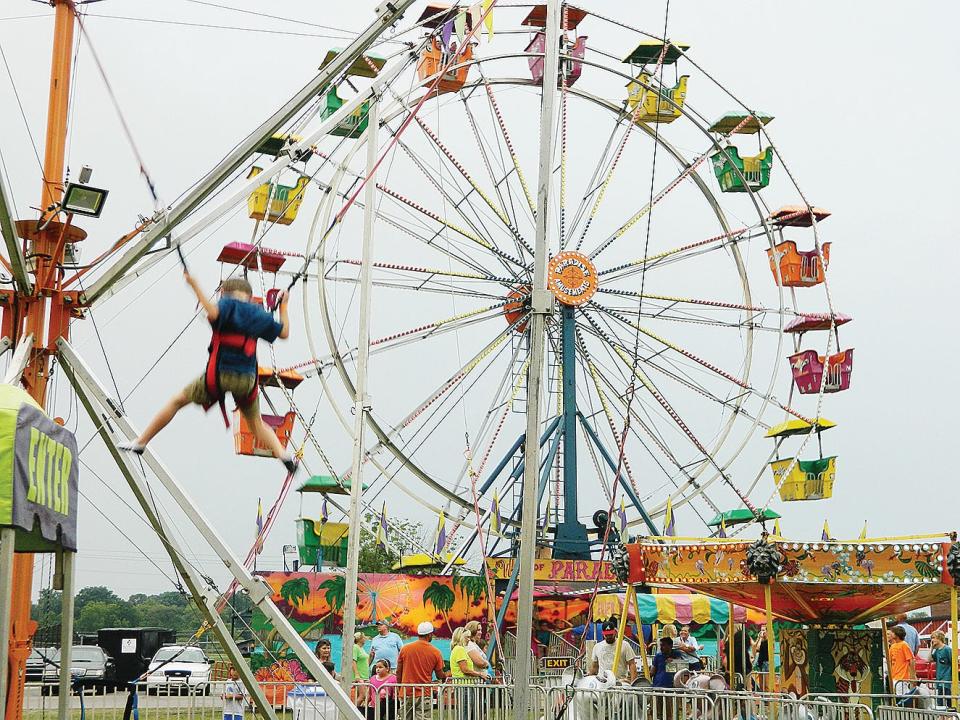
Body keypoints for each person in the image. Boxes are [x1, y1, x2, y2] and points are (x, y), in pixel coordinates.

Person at [119, 274, 297, 474]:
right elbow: (284, 333)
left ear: (223, 293)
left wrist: (195, 285)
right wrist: (283, 306)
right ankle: (283, 454)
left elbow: (212, 313)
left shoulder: (225, 306)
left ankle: (141, 442)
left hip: (219, 376)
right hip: (246, 381)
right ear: (249, 296)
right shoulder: (259, 315)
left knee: (177, 401)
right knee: (256, 424)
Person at [396, 621, 448, 720]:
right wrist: (445, 677)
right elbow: (439, 675)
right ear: (429, 635)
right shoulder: (436, 652)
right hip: (424, 693)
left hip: (406, 691)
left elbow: (398, 672)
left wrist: (400, 688)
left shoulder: (405, 649)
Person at [888, 626, 916, 696]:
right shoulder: (892, 646)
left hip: (902, 677)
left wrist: (912, 675)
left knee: (901, 696)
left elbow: (911, 660)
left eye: (892, 633)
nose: (890, 634)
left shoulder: (904, 645)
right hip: (894, 676)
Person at [931, 631, 952, 700]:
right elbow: (929, 659)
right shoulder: (936, 650)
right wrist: (931, 648)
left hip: (946, 679)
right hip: (939, 679)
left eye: (933, 638)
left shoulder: (947, 649)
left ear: (939, 638)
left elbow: (953, 662)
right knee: (939, 700)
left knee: (947, 699)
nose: (932, 640)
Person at [732, 624, 752, 690]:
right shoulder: (744, 652)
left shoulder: (731, 649)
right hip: (744, 673)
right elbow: (749, 665)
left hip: (735, 672)